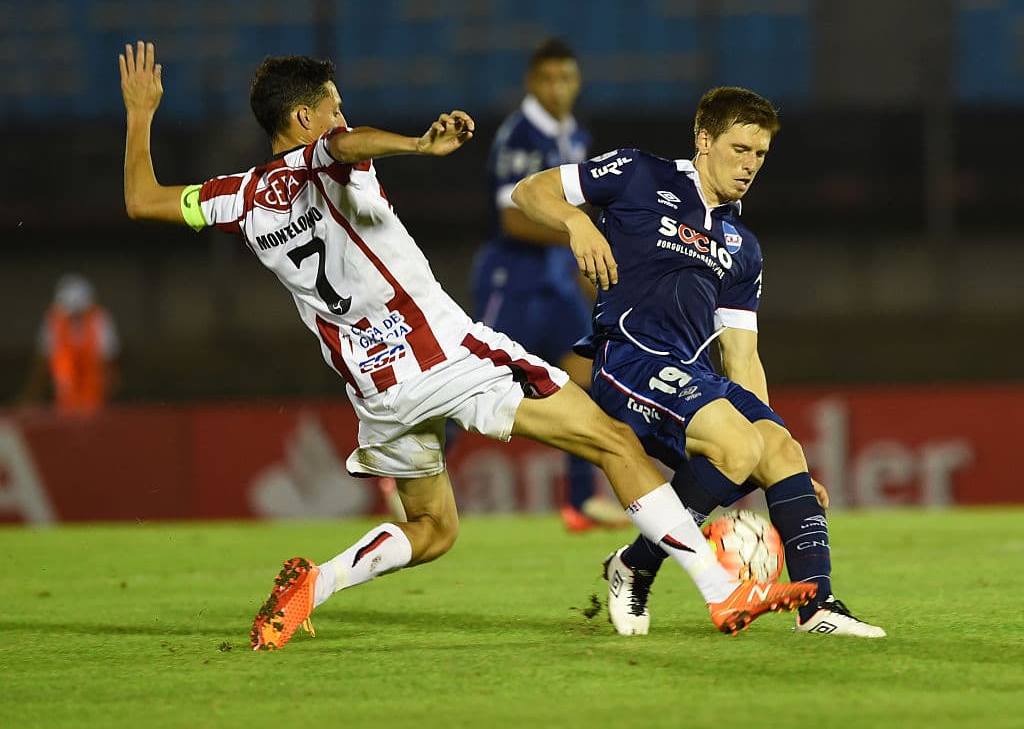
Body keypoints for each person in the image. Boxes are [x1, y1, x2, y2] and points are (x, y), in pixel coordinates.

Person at [118, 42, 816, 651]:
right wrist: (416, 145)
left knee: (432, 528)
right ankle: (721, 589)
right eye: (334, 108)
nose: (342, 117)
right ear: (304, 118)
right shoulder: (325, 158)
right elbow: (345, 146)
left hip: (376, 390)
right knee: (614, 442)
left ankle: (314, 585)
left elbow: (143, 200)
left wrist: (142, 114)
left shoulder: (238, 196)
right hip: (441, 354)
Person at [511, 86, 885, 638]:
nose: (750, 164)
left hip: (694, 376)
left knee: (782, 450)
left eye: (760, 154)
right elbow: (528, 191)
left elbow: (742, 354)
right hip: (630, 359)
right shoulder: (639, 173)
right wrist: (578, 223)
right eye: (740, 149)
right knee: (737, 445)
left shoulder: (742, 246)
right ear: (704, 140)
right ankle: (638, 567)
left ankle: (817, 606)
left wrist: (776, 445)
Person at [472, 38, 624, 531]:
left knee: (586, 373)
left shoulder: (574, 134)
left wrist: (590, 275)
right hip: (512, 280)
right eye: (549, 79)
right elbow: (513, 219)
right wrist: (579, 232)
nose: (558, 88)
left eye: (567, 78)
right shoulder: (519, 135)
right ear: (532, 82)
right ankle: (406, 475)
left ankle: (579, 501)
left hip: (557, 282)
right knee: (471, 380)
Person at [20, 273, 120, 415]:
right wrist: (32, 396)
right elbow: (42, 361)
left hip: (94, 400)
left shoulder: (100, 320)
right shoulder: (53, 320)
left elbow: (109, 363)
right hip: (64, 398)